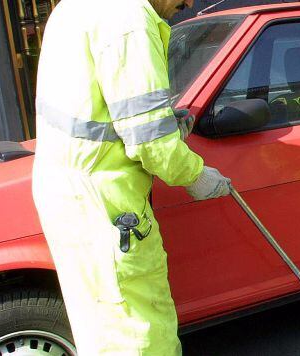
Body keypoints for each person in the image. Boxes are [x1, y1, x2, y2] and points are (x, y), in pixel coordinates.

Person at [31, 0, 232, 354]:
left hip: (73, 193)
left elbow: (106, 108)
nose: (188, 4)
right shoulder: (128, 20)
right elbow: (151, 141)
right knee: (139, 332)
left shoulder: (75, 8)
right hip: (105, 202)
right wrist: (195, 174)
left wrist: (166, 123)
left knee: (103, 326)